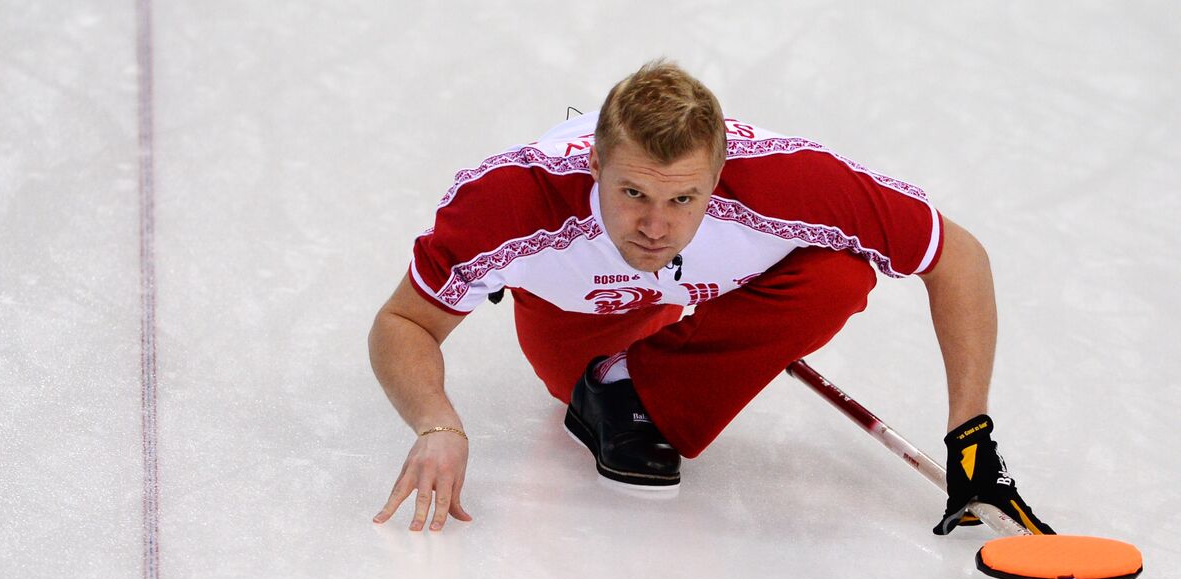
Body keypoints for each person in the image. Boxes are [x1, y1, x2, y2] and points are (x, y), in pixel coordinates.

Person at [369, 59, 1052, 536]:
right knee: (596, 350)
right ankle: (609, 384)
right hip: (579, 328)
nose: (656, 227)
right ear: (594, 164)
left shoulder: (788, 184)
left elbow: (954, 255)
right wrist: (438, 424)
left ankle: (646, 382)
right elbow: (405, 321)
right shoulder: (513, 202)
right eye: (632, 193)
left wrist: (971, 439)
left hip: (689, 304)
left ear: (720, 176)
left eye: (684, 199)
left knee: (840, 276)